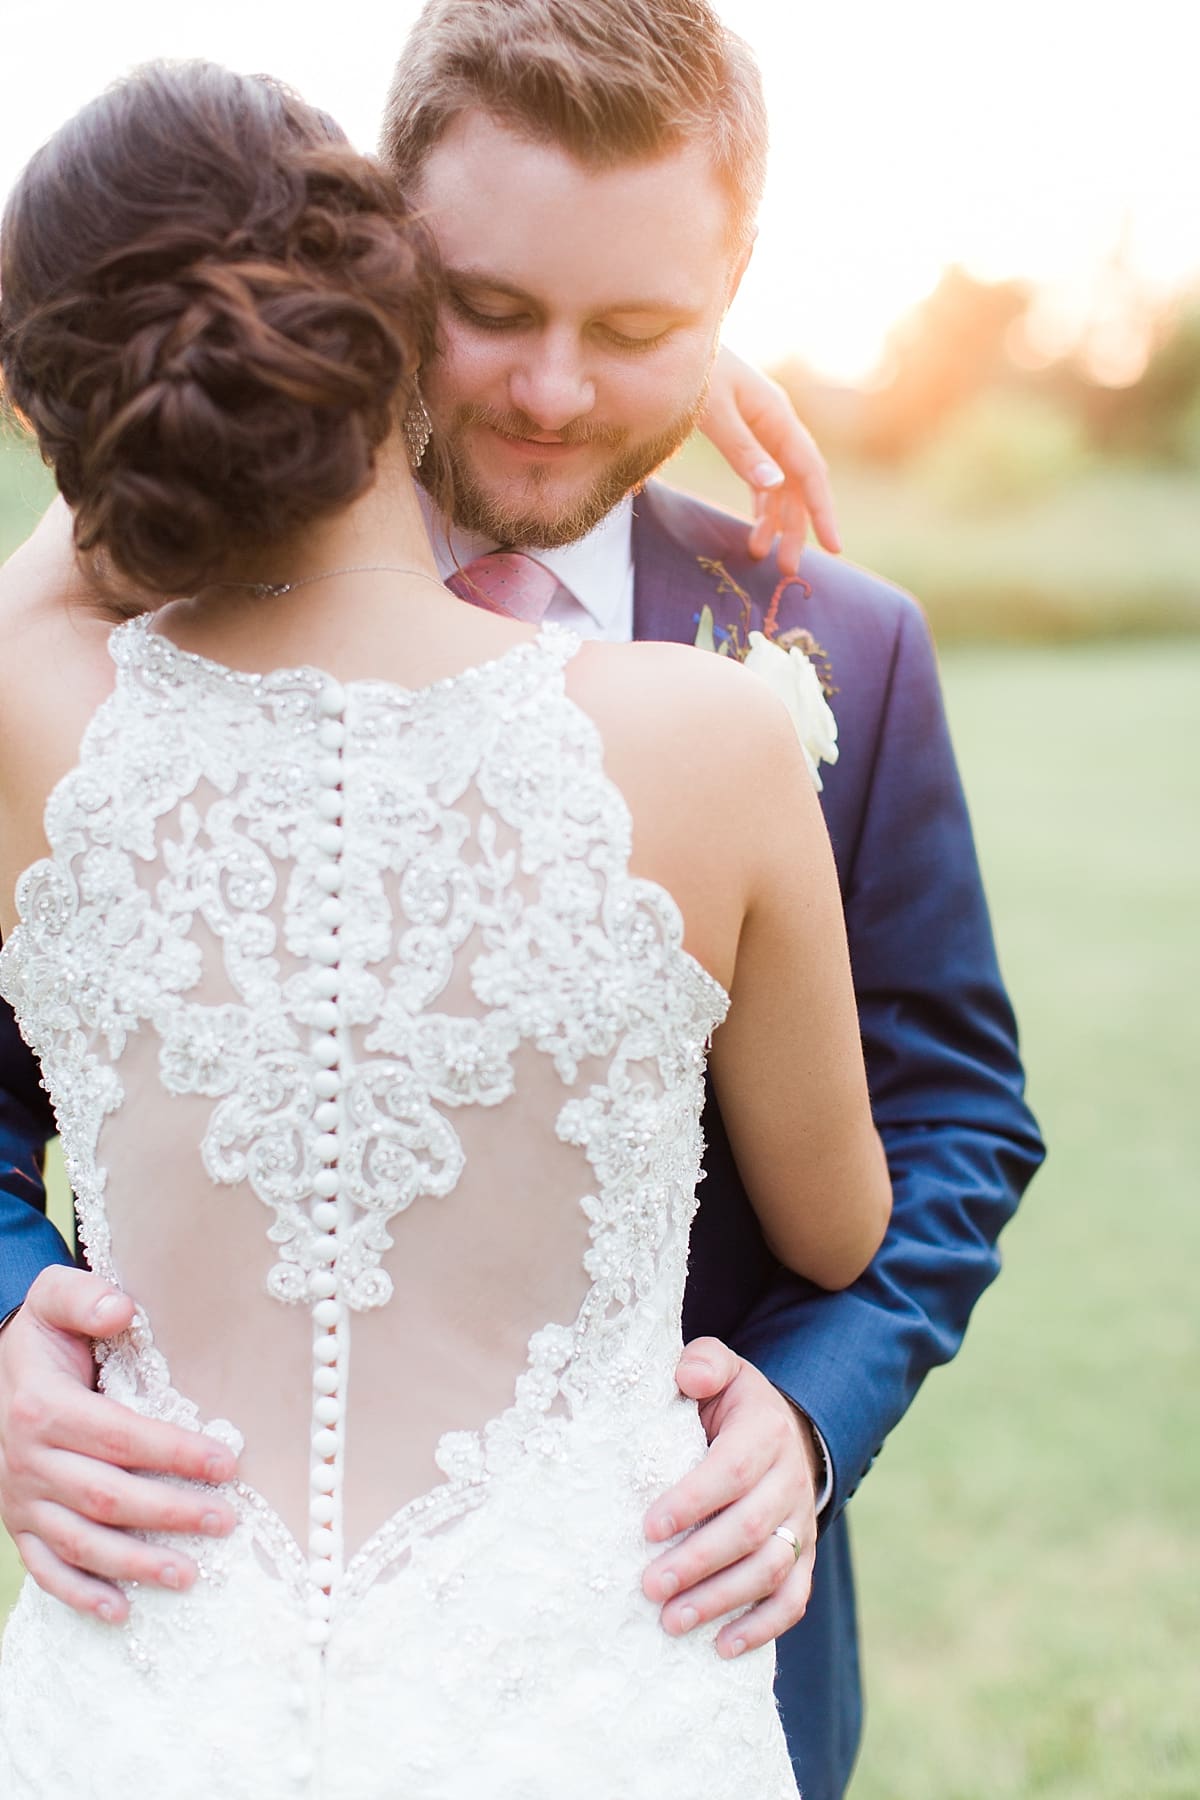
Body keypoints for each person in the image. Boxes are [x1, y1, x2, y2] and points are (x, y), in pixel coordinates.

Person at [0, 4, 1046, 1795]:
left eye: (640, 327)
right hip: (192, 1599)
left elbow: (955, 1117)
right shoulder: (131, 654)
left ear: (736, 297)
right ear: (383, 255)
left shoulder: (843, 649)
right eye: (494, 308)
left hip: (658, 1620)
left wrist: (805, 1410)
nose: (558, 393)